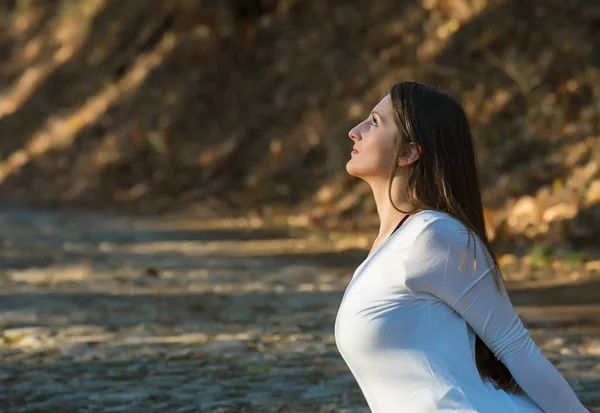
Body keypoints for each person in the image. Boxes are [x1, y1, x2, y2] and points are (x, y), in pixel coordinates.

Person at [334, 81, 590, 413]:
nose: (355, 131)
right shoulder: (387, 249)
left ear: (410, 152)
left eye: (374, 122)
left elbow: (516, 348)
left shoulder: (435, 236)